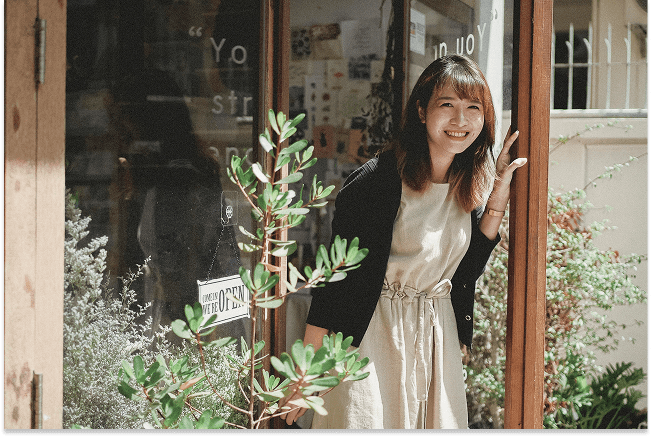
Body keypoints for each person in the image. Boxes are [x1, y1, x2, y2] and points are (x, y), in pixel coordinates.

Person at [281, 54, 527, 429]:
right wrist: (305, 375)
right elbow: (334, 284)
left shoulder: (469, 185)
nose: (461, 120)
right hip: (371, 336)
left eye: (473, 108)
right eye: (448, 105)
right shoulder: (375, 183)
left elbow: (464, 273)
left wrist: (496, 199)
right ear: (422, 112)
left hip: (434, 338)